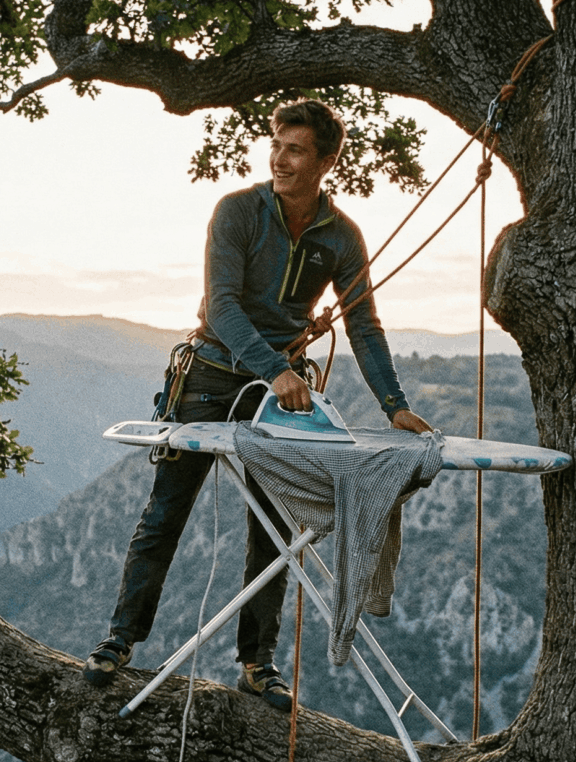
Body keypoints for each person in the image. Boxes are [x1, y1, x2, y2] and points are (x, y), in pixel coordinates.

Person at [83, 98, 432, 711]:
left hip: (277, 391)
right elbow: (220, 305)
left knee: (273, 529)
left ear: (326, 162)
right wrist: (274, 370)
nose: (279, 158)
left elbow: (364, 326)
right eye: (276, 145)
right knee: (165, 513)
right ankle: (120, 641)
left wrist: (394, 406)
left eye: (295, 150)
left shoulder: (342, 237)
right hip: (211, 377)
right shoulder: (239, 212)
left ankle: (256, 662)